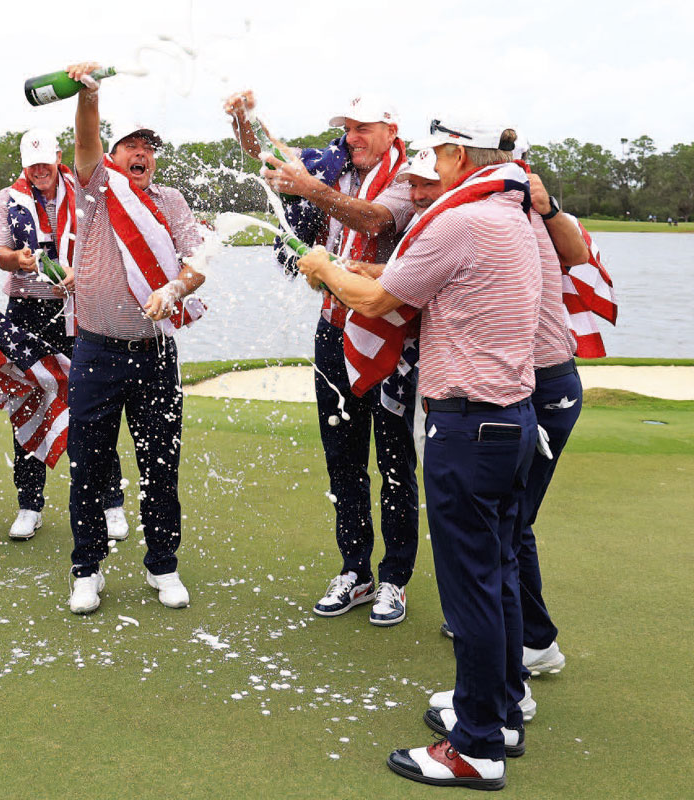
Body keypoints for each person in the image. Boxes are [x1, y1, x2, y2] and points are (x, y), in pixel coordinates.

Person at [299, 118, 542, 790]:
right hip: (510, 421)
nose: (428, 166)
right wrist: (371, 268)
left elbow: (377, 300)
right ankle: (501, 709)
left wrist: (323, 267)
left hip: (469, 427)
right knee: (497, 576)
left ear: (459, 155)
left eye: (436, 154)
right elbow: (424, 281)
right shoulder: (510, 212)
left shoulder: (459, 220)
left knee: (471, 595)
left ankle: (476, 747)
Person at [225, 91, 418, 626]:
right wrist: (245, 118)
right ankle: (355, 570)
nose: (352, 137)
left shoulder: (410, 176)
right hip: (333, 330)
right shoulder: (335, 164)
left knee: (396, 462)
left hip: (390, 336)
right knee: (343, 457)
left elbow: (377, 221)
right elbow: (270, 154)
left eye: (364, 128)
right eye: (347, 127)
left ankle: (396, 578)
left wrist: (312, 189)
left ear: (391, 129)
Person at [399, 150, 587, 678]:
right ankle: (521, 652)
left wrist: (548, 208)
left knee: (502, 537)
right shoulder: (485, 209)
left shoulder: (494, 211)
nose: (418, 191)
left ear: (459, 161)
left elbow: (576, 253)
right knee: (504, 534)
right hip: (526, 385)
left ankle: (520, 662)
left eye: (428, 174)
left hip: (538, 382)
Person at [63, 62, 207, 614]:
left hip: (155, 353)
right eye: (131, 143)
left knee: (160, 468)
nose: (142, 152)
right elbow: (83, 140)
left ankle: (163, 565)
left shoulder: (171, 201)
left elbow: (197, 262)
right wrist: (89, 97)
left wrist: (174, 289)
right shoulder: (99, 187)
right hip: (96, 352)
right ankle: (87, 569)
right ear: (114, 154)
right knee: (89, 466)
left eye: (149, 145)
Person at [0, 128, 128, 541]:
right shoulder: (7, 198)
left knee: (91, 404)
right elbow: (0, 255)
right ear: (23, 165)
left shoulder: (81, 187)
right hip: (26, 310)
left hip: (77, 306)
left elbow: (102, 241)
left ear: (58, 157)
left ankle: (110, 503)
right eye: (32, 164)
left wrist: (77, 273)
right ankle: (29, 504)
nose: (39, 170)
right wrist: (19, 258)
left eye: (45, 162)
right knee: (28, 399)